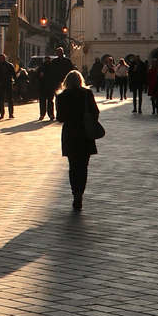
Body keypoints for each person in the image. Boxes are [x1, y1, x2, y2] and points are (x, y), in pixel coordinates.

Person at [56, 69, 100, 210]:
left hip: (70, 133)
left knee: (73, 166)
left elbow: (60, 118)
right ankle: (80, 192)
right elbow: (95, 112)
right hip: (85, 133)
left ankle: (75, 192)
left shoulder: (62, 96)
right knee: (83, 166)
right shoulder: (87, 94)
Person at [0, 54, 16, 120]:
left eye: (3, 58)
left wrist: (15, 83)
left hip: (8, 84)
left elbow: (14, 75)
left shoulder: (10, 65)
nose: (2, 59)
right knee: (1, 100)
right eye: (1, 58)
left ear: (5, 58)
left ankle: (11, 114)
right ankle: (2, 114)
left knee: (10, 99)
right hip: (1, 84)